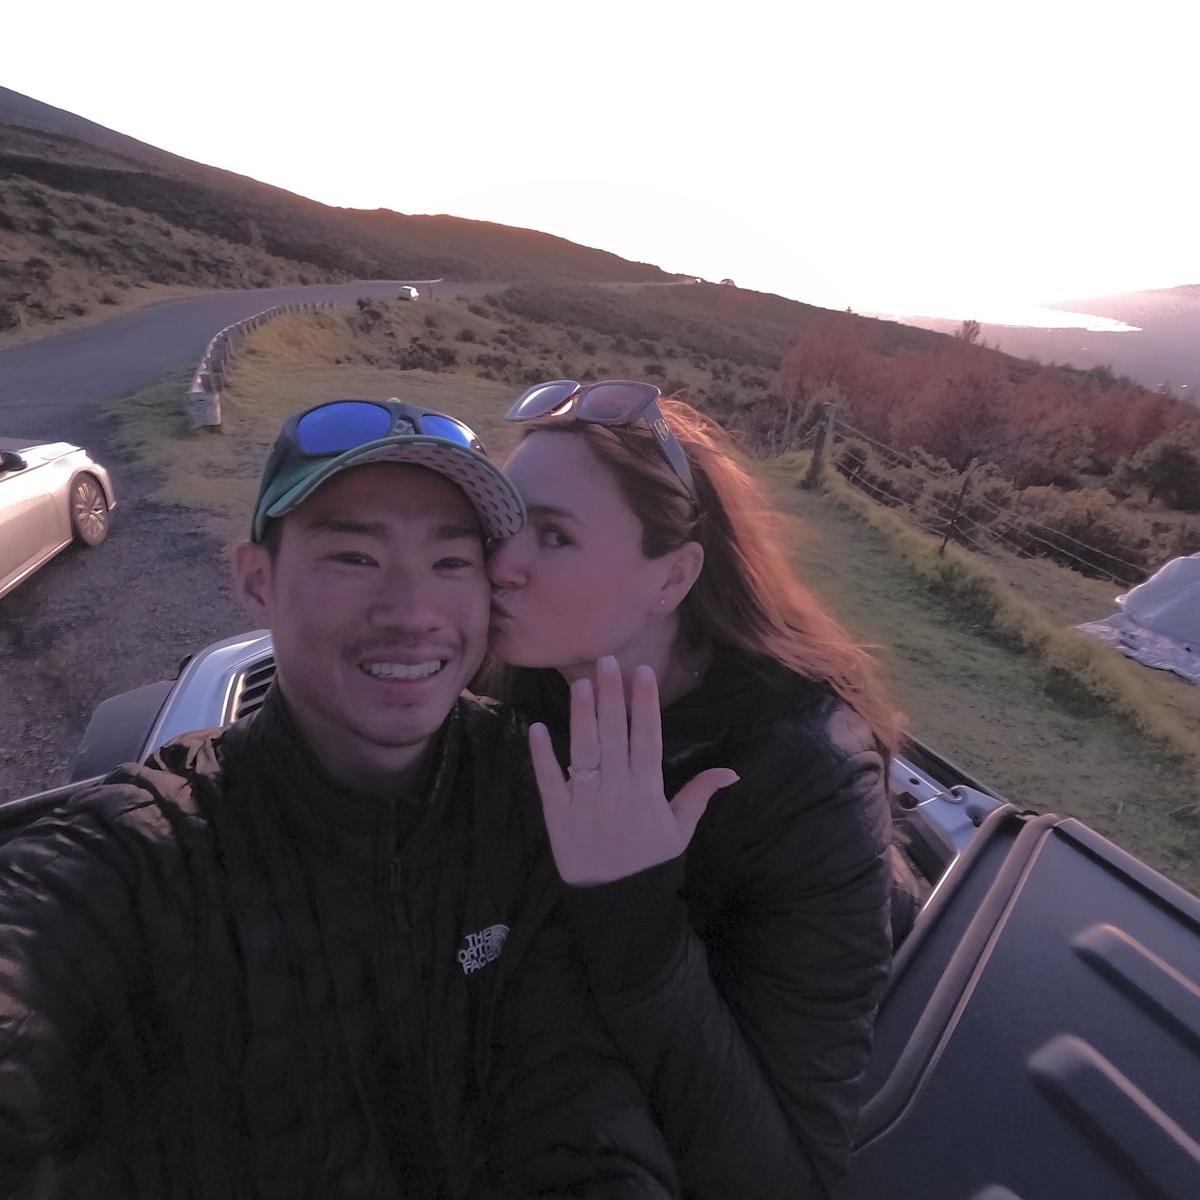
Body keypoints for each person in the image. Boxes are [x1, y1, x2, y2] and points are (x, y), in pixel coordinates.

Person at [0, 399, 680, 1199]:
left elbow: (575, 1089)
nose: (411, 614)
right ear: (257, 581)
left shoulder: (532, 790)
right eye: (354, 557)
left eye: (451, 563)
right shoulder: (150, 850)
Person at [485, 380, 904, 1200]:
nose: (502, 564)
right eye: (503, 521)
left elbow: (788, 1178)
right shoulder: (519, 671)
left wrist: (631, 909)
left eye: (556, 536)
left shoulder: (805, 785)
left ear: (671, 580)